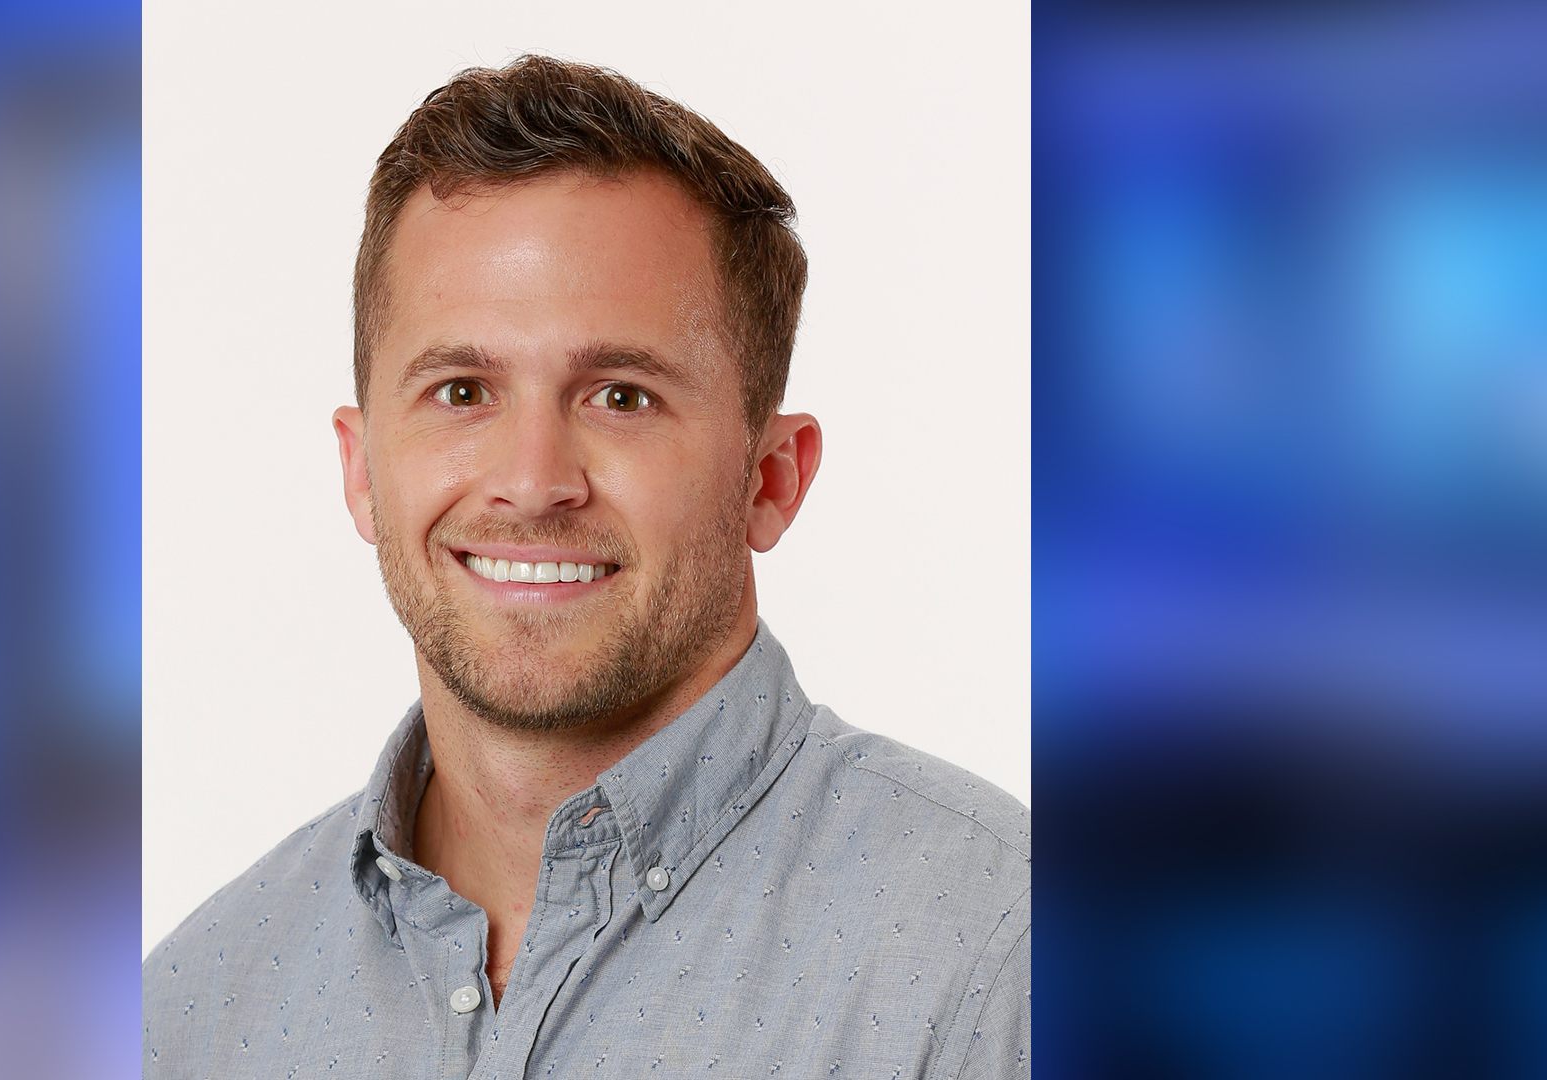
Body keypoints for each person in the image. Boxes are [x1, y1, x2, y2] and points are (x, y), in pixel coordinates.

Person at [143, 54, 1030, 1078]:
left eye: (621, 396)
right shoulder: (188, 1019)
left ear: (771, 479)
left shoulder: (1005, 962)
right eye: (462, 391)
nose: (533, 482)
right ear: (361, 470)